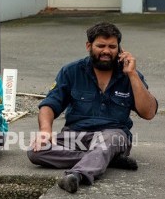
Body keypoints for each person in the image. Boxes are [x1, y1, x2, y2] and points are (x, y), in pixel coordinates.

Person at [27, 22, 158, 193]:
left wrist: (132, 74)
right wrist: (45, 131)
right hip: (75, 135)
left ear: (120, 49)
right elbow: (50, 104)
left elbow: (148, 112)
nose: (106, 51)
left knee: (109, 140)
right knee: (35, 151)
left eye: (112, 46)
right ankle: (106, 160)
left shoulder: (130, 75)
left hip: (113, 136)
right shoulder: (71, 71)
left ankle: (77, 175)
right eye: (100, 46)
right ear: (89, 46)